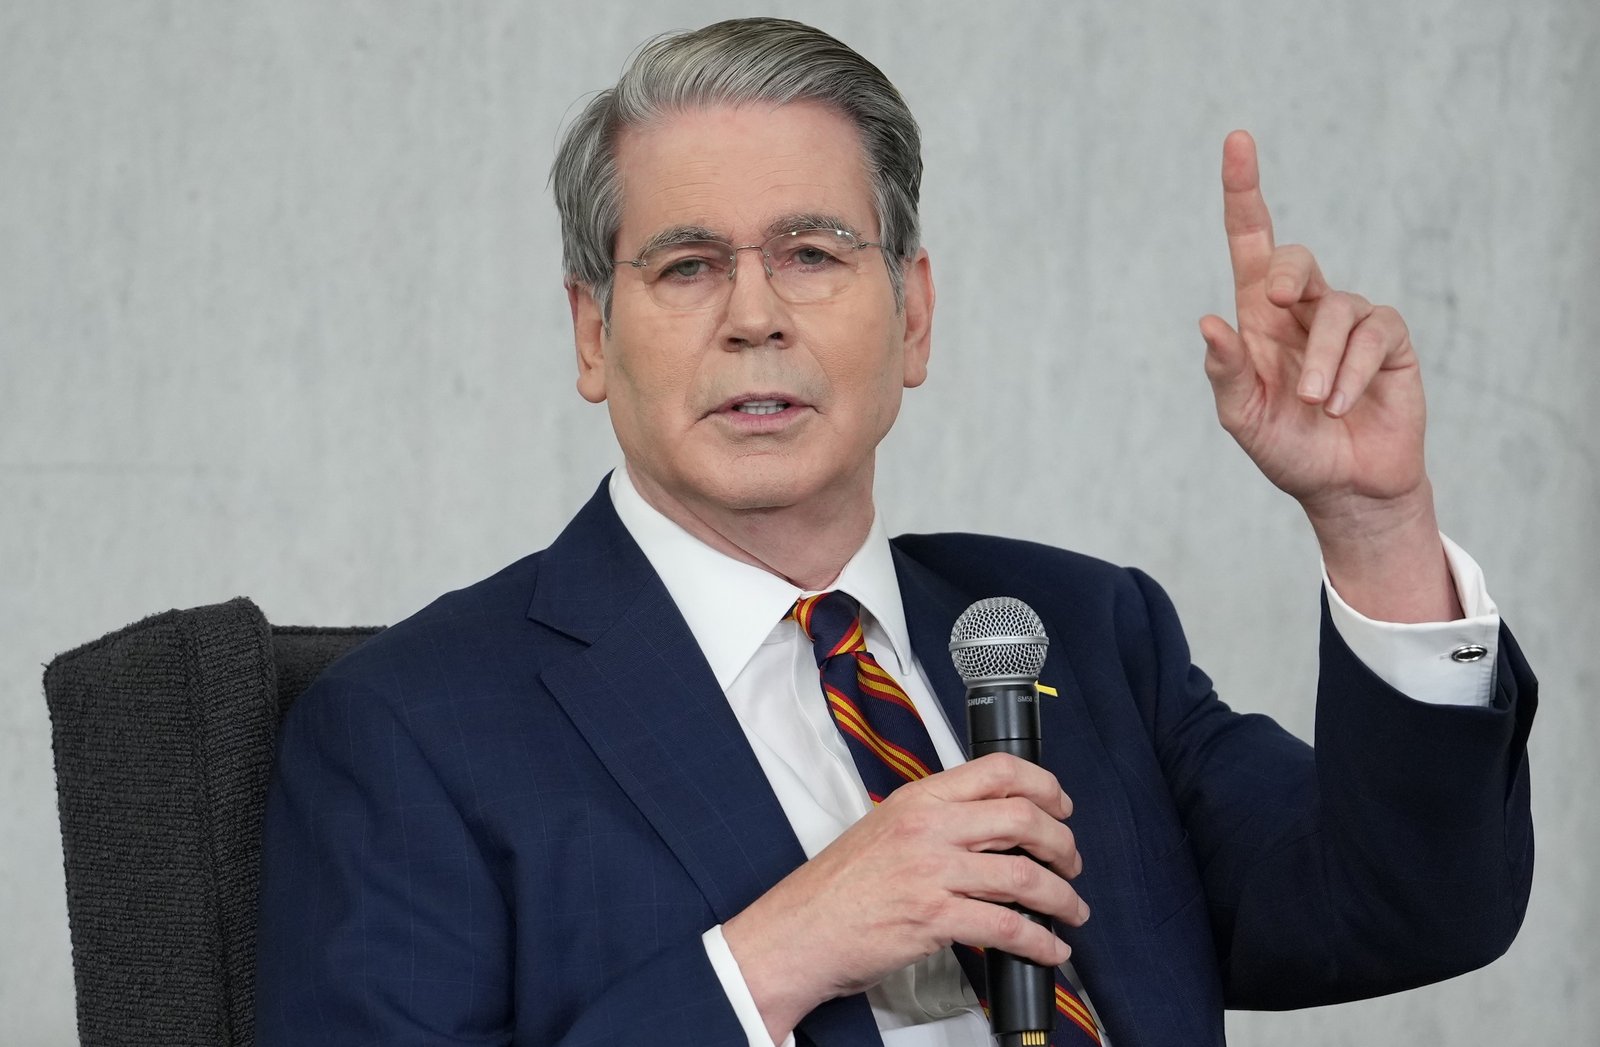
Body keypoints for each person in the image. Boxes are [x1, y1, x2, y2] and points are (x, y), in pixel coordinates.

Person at [254, 17, 1535, 1047]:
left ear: (912, 317)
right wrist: (774, 958)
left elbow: (1411, 911)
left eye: (812, 252)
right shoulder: (411, 730)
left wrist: (1372, 521)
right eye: (688, 265)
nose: (754, 315)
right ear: (594, 334)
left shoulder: (1079, 634)